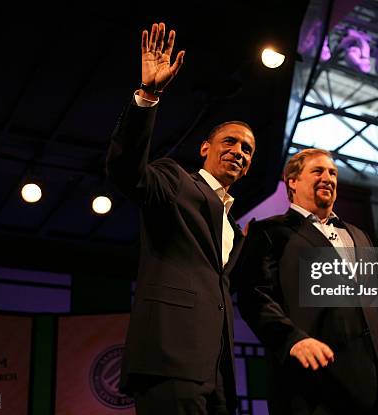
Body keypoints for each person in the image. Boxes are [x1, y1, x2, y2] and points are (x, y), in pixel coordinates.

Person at [106, 22, 255, 415]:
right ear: (205, 148)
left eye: (247, 149)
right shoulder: (176, 180)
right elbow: (127, 172)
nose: (239, 151)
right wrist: (149, 95)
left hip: (217, 374)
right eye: (230, 142)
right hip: (168, 362)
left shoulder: (234, 229)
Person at [234, 148, 378, 415]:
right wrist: (292, 340)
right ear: (292, 181)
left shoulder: (360, 236)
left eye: (333, 173)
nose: (328, 177)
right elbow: (254, 297)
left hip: (376, 392)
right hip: (314, 391)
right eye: (317, 171)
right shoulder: (269, 232)